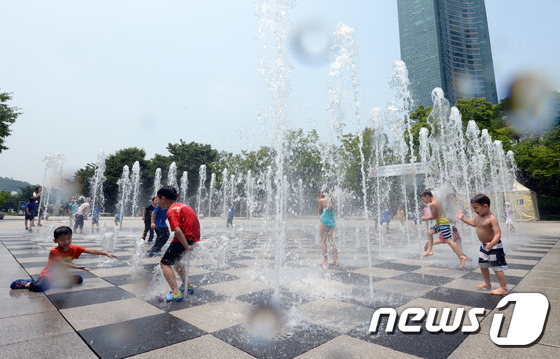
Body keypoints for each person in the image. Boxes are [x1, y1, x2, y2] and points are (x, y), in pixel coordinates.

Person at [10, 226, 118, 292]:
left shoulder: (74, 248)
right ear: (55, 240)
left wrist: (105, 253)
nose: (66, 241)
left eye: (68, 238)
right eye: (62, 239)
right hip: (47, 275)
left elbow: (89, 250)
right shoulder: (54, 251)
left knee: (79, 280)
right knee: (38, 287)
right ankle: (27, 283)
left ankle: (61, 281)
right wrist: (77, 267)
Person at [457, 194, 508, 295]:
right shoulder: (478, 215)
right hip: (484, 246)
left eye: (476, 208)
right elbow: (474, 224)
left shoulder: (491, 218)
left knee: (497, 267)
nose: (474, 211)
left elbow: (498, 234)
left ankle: (503, 288)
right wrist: (463, 219)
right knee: (483, 265)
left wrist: (492, 243)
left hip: (494, 247)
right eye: (473, 208)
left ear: (485, 206)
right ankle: (487, 283)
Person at [156, 186, 200, 302]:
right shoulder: (183, 206)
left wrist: (186, 246)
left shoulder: (172, 211)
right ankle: (187, 286)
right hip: (191, 237)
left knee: (164, 263)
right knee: (176, 261)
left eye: (158, 198)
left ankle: (175, 292)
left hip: (184, 239)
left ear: (163, 198)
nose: (157, 200)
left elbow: (178, 230)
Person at [420, 189, 467, 269]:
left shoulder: (432, 204)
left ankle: (461, 257)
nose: (423, 201)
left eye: (423, 199)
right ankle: (430, 250)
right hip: (440, 223)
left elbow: (433, 217)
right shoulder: (437, 202)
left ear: (427, 196)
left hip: (443, 223)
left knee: (448, 241)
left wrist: (425, 218)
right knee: (430, 232)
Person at [318, 189, 338, 266]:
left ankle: (325, 260)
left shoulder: (322, 200)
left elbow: (319, 211)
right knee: (331, 240)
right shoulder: (331, 200)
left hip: (325, 221)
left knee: (323, 240)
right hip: (332, 221)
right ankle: (335, 260)